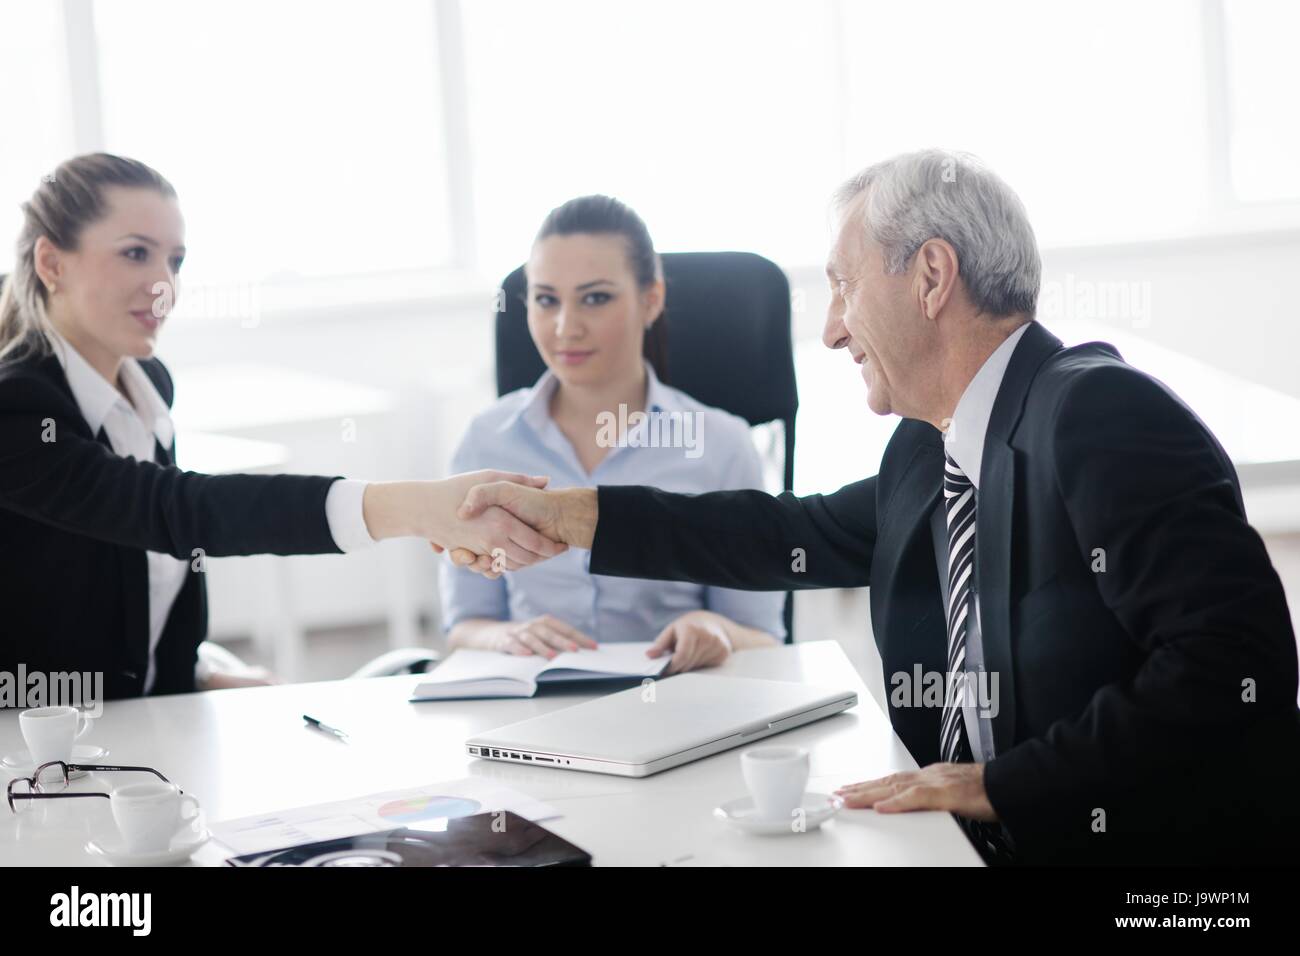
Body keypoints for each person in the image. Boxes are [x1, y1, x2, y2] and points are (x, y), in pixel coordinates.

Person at [452, 149, 1300, 866]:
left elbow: (1235, 669)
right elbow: (788, 534)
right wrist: (574, 518)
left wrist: (1000, 785)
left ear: (931, 277)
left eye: (843, 286)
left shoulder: (1097, 414)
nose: (831, 330)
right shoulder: (931, 448)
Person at [0, 153, 564, 702]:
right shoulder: (17, 407)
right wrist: (416, 508)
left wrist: (193, 674)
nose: (163, 284)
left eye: (175, 261)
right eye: (135, 254)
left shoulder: (146, 384)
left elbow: (130, 578)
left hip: (140, 720)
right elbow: (176, 511)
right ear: (52, 264)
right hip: (36, 739)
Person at [440, 195, 783, 674]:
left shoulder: (722, 445)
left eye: (595, 298)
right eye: (546, 300)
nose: (566, 328)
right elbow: (464, 623)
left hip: (677, 696)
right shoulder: (486, 439)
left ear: (651, 300)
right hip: (534, 701)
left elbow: (764, 635)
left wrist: (717, 630)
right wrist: (504, 636)